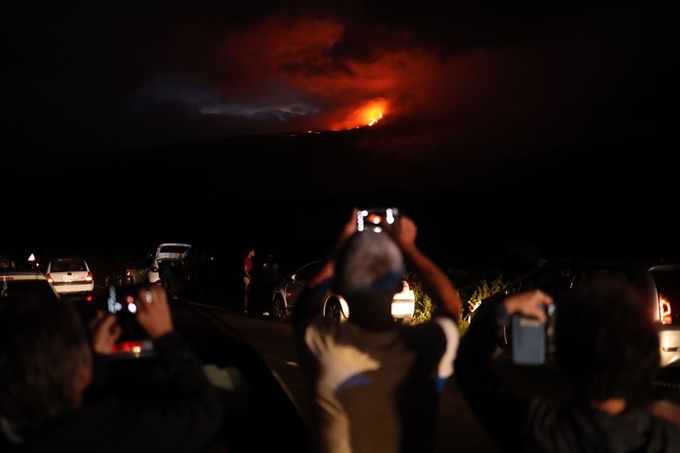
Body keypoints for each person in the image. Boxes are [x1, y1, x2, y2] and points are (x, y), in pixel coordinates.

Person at [292, 208, 462, 453]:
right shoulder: (425, 347)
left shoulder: (324, 346)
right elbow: (450, 307)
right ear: (396, 287)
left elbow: (303, 310)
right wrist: (409, 248)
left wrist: (342, 247)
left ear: (341, 287)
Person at [455, 274, 680, 452]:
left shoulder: (536, 430)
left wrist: (504, 308)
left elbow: (468, 363)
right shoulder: (666, 439)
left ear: (563, 354)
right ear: (645, 357)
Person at [0, 284, 224, 452]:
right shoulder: (107, 433)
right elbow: (206, 411)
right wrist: (165, 336)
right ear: (82, 374)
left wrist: (96, 357)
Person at [243, 246, 255, 314]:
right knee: (247, 293)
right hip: (247, 278)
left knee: (248, 293)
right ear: (250, 252)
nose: (254, 252)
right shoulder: (247, 260)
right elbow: (245, 270)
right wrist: (249, 277)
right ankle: (245, 308)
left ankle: (247, 308)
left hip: (249, 278)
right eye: (253, 251)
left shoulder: (250, 260)